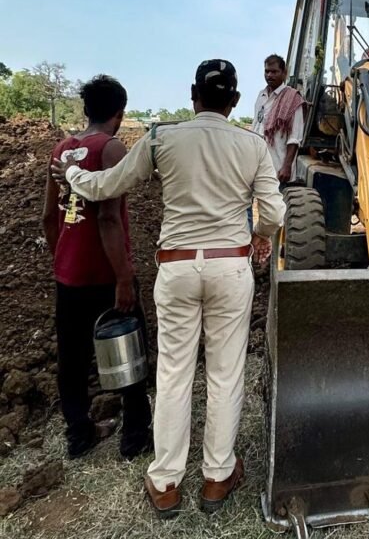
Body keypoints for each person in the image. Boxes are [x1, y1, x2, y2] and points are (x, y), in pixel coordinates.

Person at [51, 60, 285, 518]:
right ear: (235, 101)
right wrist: (259, 233)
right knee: (224, 374)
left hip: (176, 270)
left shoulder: (161, 138)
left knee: (175, 374)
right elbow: (274, 214)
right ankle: (217, 477)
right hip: (230, 269)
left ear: (193, 95)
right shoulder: (252, 145)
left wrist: (72, 175)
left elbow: (106, 186)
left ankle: (165, 482)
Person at [42, 75, 152, 460]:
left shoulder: (61, 149)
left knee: (71, 359)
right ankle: (134, 436)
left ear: (87, 110)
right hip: (105, 274)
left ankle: (79, 434)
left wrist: (64, 256)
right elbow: (108, 218)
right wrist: (123, 277)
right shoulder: (111, 149)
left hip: (68, 274)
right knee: (129, 349)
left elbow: (47, 218)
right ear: (119, 114)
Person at [251, 54, 304, 184]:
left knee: (276, 204)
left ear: (284, 73)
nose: (269, 75)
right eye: (267, 71)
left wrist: (286, 166)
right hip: (258, 166)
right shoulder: (261, 95)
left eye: (274, 72)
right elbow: (256, 126)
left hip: (278, 169)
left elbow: (295, 137)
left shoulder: (293, 99)